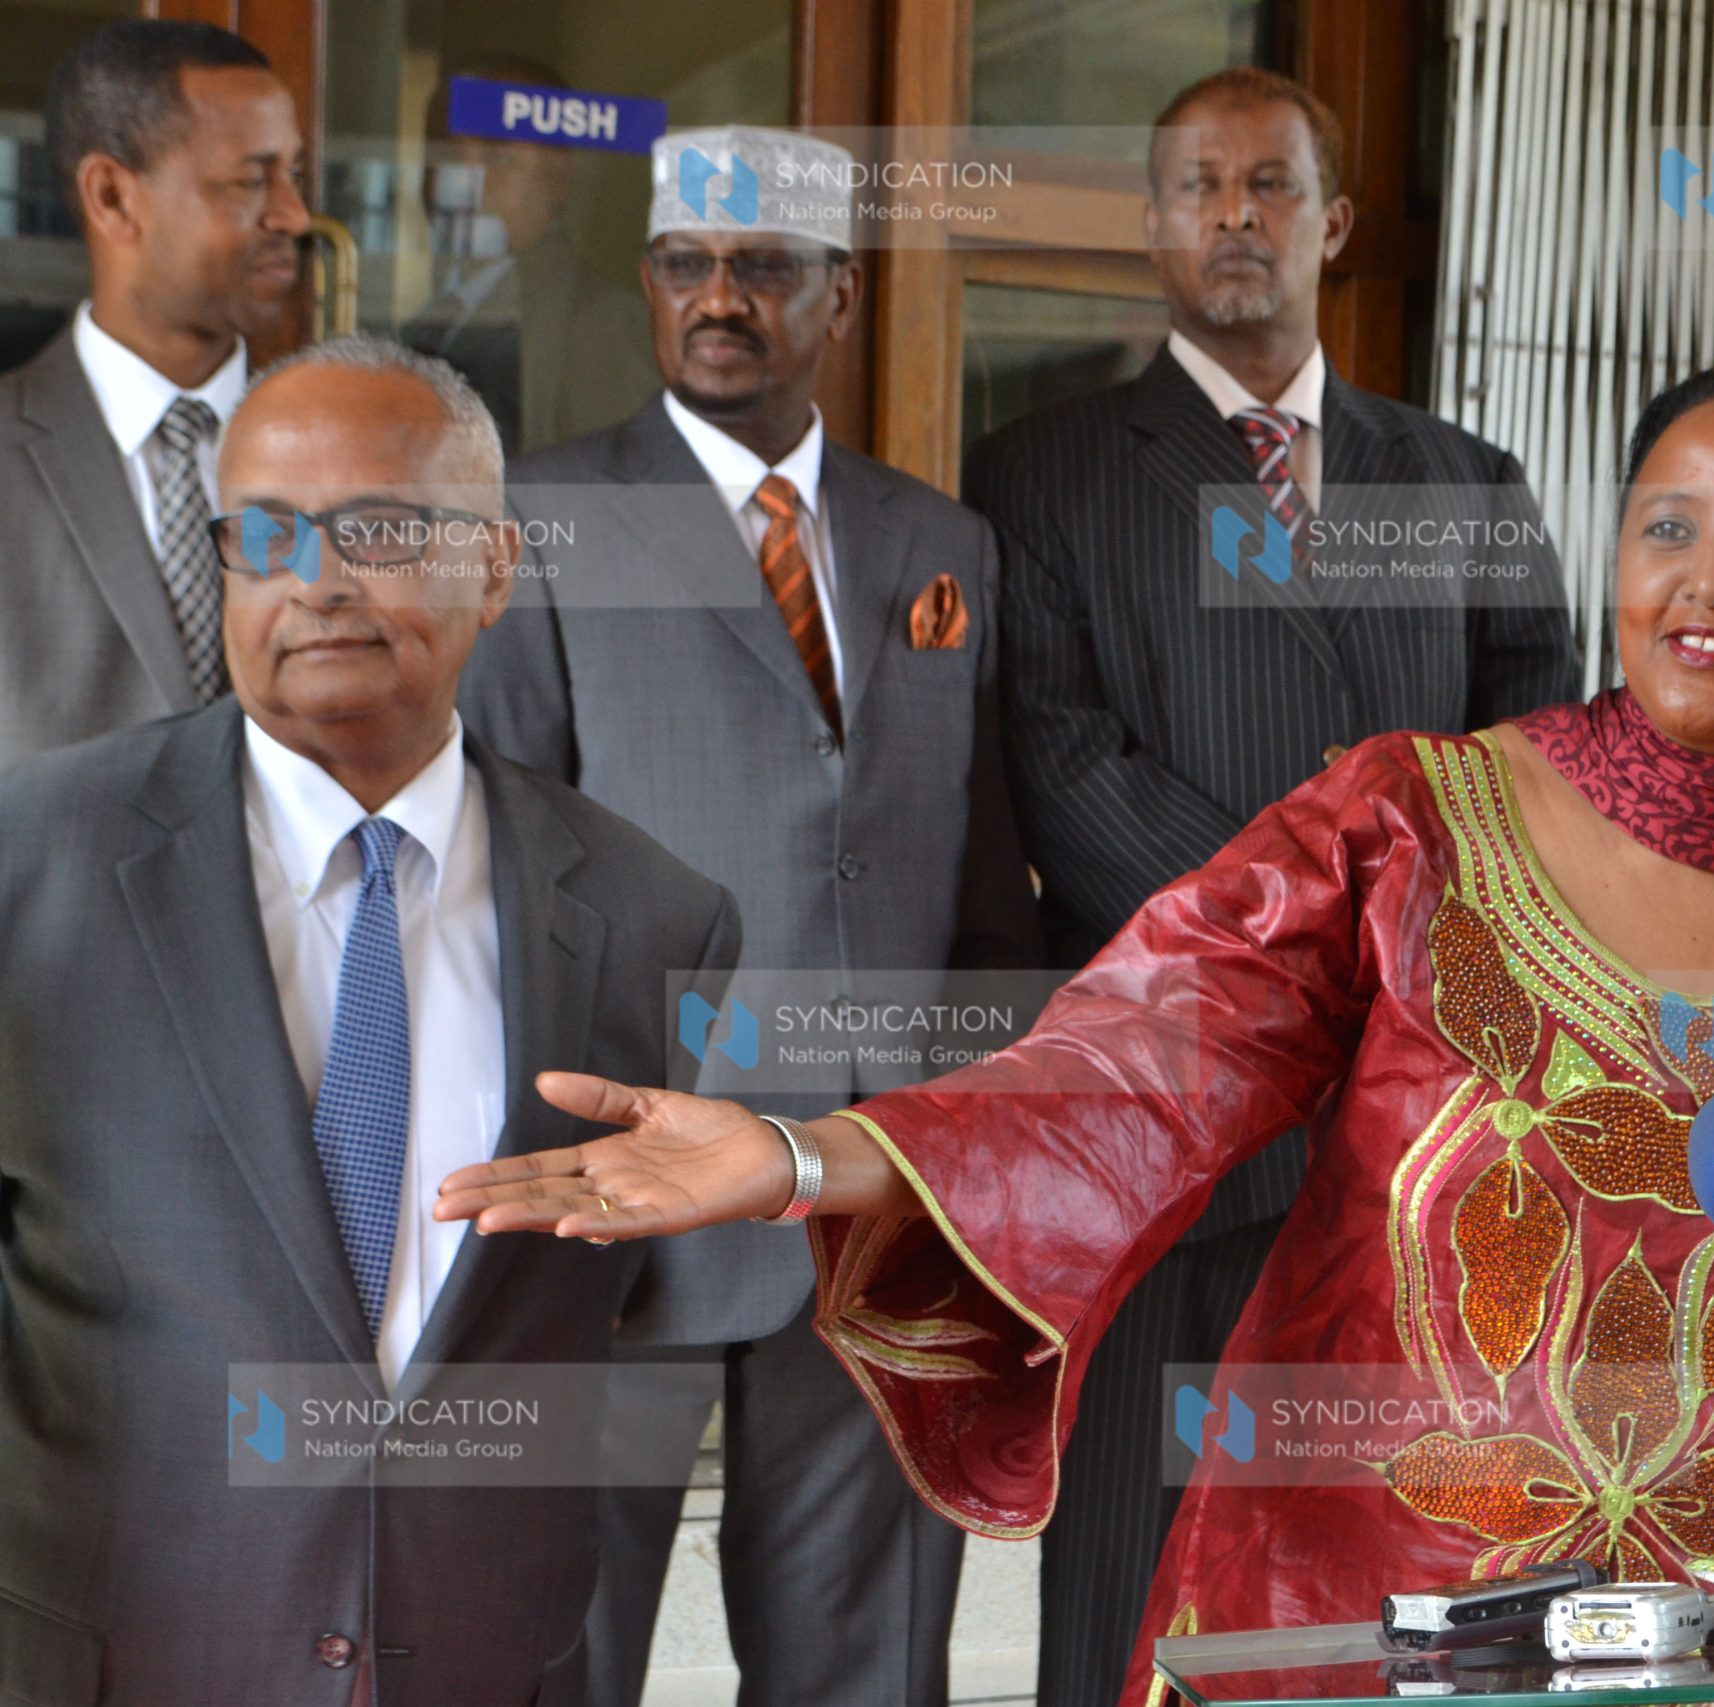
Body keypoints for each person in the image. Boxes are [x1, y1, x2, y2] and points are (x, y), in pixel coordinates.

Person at [441, 362, 1714, 1706]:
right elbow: (1132, 1065)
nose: (1707, 580)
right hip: (1377, 1640)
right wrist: (803, 1152)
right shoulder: (1413, 824)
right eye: (1668, 525)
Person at [960, 69, 1581, 1704]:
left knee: (1394, 1578)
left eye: (1271, 185)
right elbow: (1064, 764)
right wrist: (1309, 945)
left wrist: (1396, 976)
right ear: (1151, 224)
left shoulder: (1465, 482)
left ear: (1337, 223)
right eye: (1199, 187)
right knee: (1128, 1582)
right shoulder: (1040, 475)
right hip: (1177, 1112)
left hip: (1415, 1125)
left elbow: (1536, 784)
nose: (1236, 215)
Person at [0, 335, 740, 1704]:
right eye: (266, 533)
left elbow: (603, 1325)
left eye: (380, 531)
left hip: (484, 1658)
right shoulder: (31, 864)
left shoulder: (654, 919)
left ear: (498, 567)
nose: (319, 579)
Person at [459, 124, 1040, 1707]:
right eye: (686, 266)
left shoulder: (943, 545)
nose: (721, 298)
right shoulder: (547, 516)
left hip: (869, 1205)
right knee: (552, 1657)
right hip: (616, 1199)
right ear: (650, 285)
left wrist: (956, 1151)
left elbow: (986, 897)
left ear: (838, 297)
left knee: (863, 1668)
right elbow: (492, 871)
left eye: (764, 267)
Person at [0, 18, 309, 771]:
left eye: (295, 176)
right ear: (111, 197)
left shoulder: (346, 453)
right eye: (248, 181)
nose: (294, 217)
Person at [400, 59, 659, 455]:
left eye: (498, 158)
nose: (463, 182)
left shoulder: (604, 322)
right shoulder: (437, 315)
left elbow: (605, 492)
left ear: (561, 176)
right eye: (446, 153)